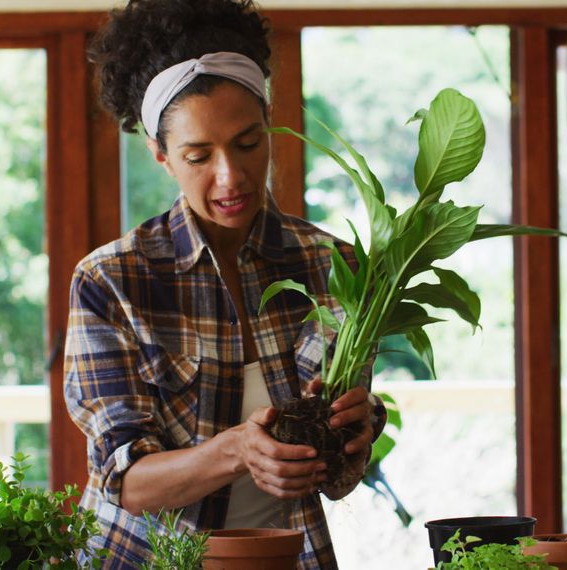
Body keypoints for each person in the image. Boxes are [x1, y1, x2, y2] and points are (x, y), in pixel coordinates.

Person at [64, 0, 381, 567]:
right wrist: (237, 450)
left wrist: (355, 433)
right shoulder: (112, 281)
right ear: (160, 155)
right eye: (198, 155)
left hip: (287, 557)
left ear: (270, 127)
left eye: (247, 143)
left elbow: (337, 482)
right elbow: (127, 482)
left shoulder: (336, 267)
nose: (230, 177)